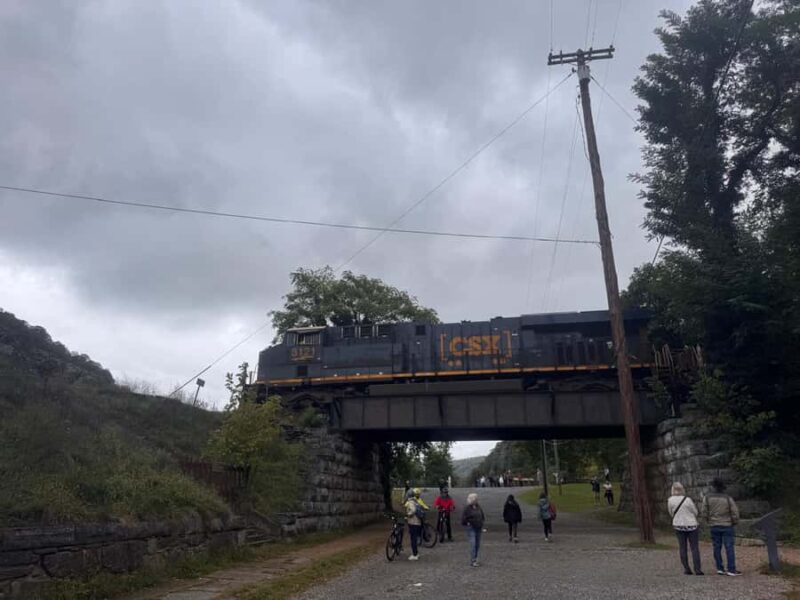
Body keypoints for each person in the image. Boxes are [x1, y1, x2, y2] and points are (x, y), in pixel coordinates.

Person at [702, 478, 741, 576]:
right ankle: (731, 569)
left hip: (714, 525)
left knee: (716, 547)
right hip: (727, 525)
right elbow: (735, 512)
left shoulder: (707, 498)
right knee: (729, 547)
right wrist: (734, 522)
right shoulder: (727, 498)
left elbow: (704, 511)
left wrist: (707, 521)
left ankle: (720, 568)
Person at [668, 482, 703, 576]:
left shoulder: (670, 500)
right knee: (694, 547)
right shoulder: (687, 500)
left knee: (682, 547)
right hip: (691, 525)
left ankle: (687, 568)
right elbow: (695, 512)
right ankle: (697, 569)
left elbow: (671, 512)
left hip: (678, 525)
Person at [461, 492, 485, 567]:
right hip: (471, 527)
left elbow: (482, 515)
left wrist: (482, 522)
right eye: (475, 499)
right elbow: (463, 519)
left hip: (478, 527)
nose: (476, 500)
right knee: (473, 543)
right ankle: (473, 560)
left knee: (477, 544)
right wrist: (468, 522)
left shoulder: (478, 507)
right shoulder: (467, 508)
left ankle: (475, 558)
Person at [404, 488, 425, 561]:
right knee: (414, 538)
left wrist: (408, 514)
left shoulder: (410, 502)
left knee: (413, 539)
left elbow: (413, 510)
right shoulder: (415, 501)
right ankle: (416, 553)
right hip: (417, 522)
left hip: (413, 522)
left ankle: (414, 555)